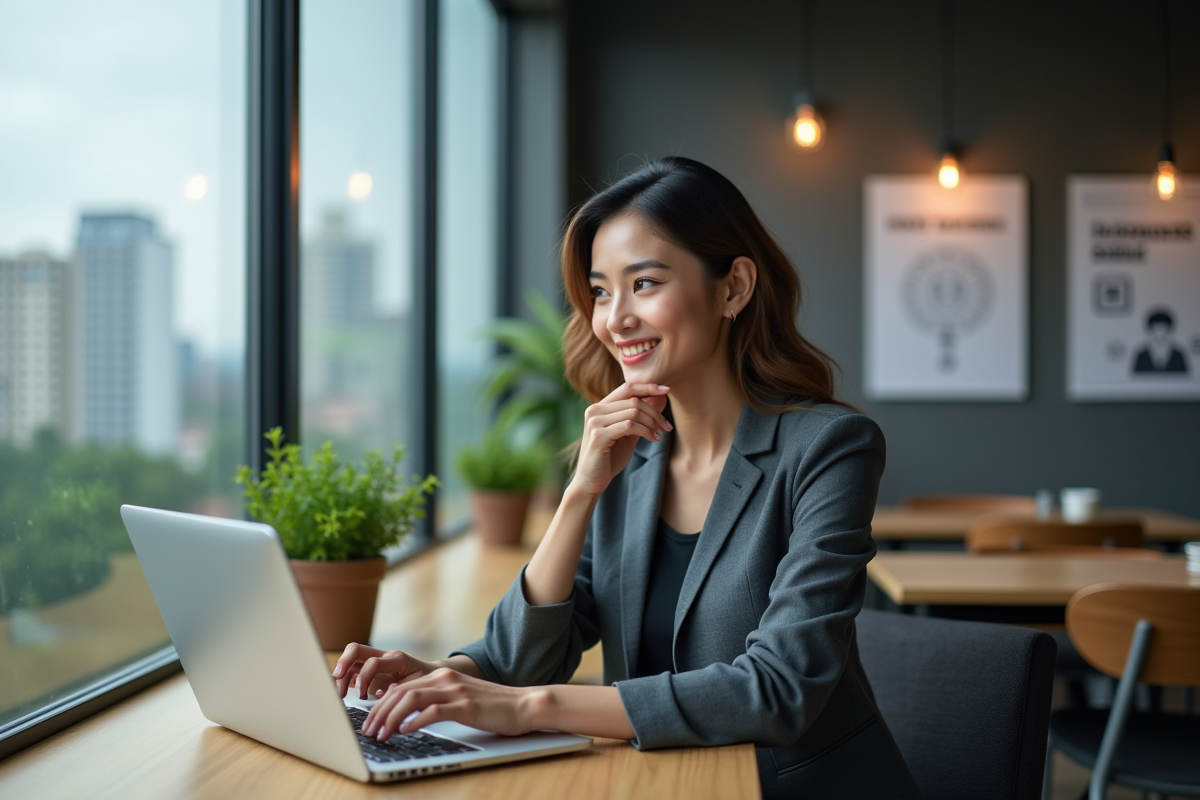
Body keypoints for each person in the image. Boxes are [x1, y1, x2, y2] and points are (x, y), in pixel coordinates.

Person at [332, 157, 920, 799]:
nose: (615, 319)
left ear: (733, 288)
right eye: (601, 291)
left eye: (644, 283)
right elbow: (525, 660)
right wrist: (441, 672)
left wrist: (530, 708)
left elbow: (779, 689)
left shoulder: (830, 448)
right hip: (663, 783)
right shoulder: (627, 457)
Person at [1132, 307, 1189, 374]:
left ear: (1169, 330)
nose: (1160, 332)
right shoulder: (1141, 355)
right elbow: (1135, 376)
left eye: (1163, 328)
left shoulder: (1178, 355)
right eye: (1157, 328)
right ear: (1150, 330)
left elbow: (1185, 376)